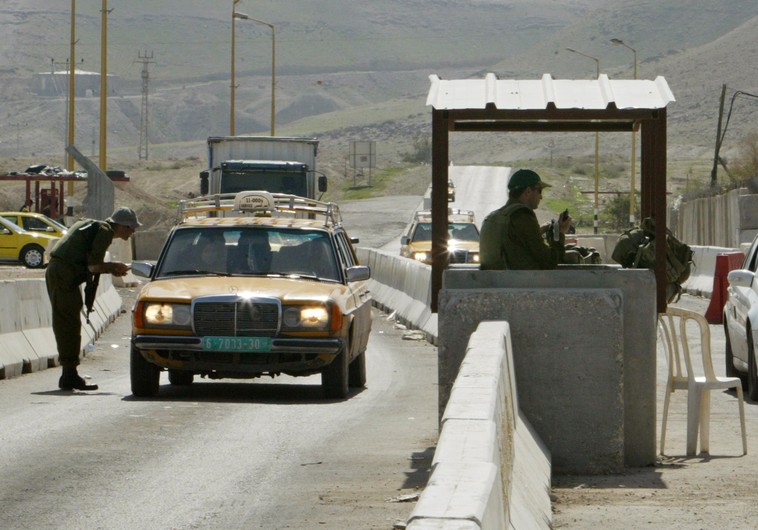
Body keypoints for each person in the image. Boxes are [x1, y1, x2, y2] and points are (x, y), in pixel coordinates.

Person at [46, 207, 141, 391]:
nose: (133, 231)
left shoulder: (96, 226)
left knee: (69, 322)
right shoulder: (104, 232)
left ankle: (69, 373)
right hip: (63, 275)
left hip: (62, 274)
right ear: (121, 226)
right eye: (131, 227)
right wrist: (114, 267)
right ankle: (69, 375)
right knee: (68, 323)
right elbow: (93, 267)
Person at [479, 169, 571, 270]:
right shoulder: (522, 216)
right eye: (539, 191)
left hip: (496, 281)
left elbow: (513, 242)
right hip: (520, 283)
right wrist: (559, 232)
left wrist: (539, 231)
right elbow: (550, 262)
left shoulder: (494, 217)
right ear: (528, 191)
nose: (541, 197)